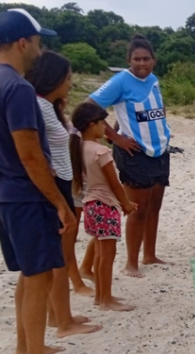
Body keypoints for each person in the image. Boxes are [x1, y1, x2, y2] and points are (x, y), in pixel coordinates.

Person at [0, 9, 83, 354]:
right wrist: (58, 203)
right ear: (22, 42)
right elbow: (30, 155)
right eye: (37, 42)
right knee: (40, 275)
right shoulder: (18, 87)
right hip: (23, 194)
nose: (39, 50)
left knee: (27, 272)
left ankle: (26, 347)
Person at [25, 51, 102, 340]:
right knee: (56, 256)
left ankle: (60, 315)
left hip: (62, 185)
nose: (71, 83)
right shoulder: (39, 107)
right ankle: (62, 321)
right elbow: (32, 149)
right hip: (54, 189)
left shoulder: (49, 107)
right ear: (54, 78)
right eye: (68, 78)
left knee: (58, 254)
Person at [89, 34, 171, 278]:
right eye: (137, 59)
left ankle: (150, 254)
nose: (142, 63)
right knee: (138, 209)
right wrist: (116, 137)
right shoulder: (120, 81)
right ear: (129, 59)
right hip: (135, 153)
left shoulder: (154, 80)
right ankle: (131, 263)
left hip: (160, 150)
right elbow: (89, 107)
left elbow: (136, 112)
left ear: (154, 60)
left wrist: (121, 126)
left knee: (155, 205)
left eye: (146, 59)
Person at [72, 102, 137, 312]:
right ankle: (106, 299)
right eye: (102, 123)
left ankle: (101, 297)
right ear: (92, 125)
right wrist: (125, 203)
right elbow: (114, 183)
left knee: (100, 253)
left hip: (90, 203)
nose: (105, 128)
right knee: (107, 255)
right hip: (105, 205)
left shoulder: (79, 147)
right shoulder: (101, 151)